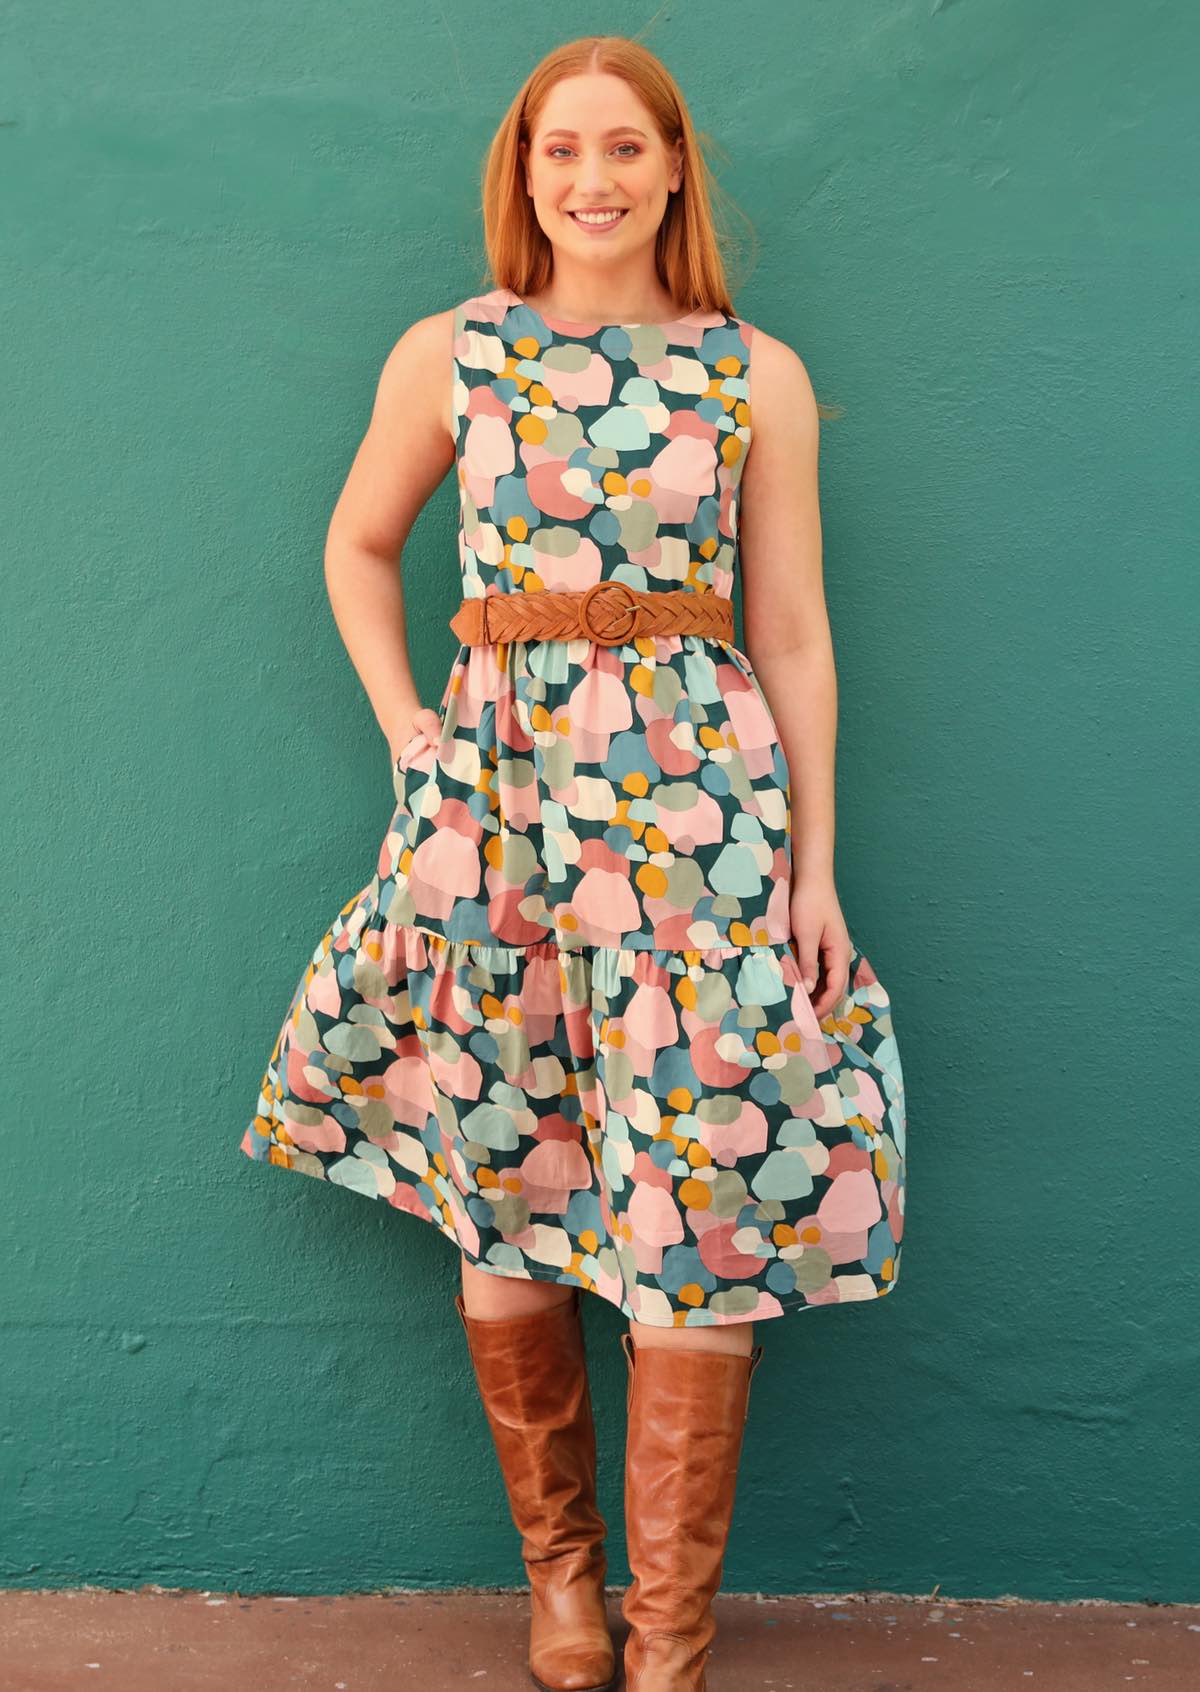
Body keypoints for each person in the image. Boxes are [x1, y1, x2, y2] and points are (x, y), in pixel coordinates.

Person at [240, 32, 907, 1692]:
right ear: (522, 173)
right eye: (560, 151)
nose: (592, 179)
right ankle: (562, 1586)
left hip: (703, 819)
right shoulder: (450, 354)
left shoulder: (761, 372)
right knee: (506, 1165)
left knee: (708, 1180)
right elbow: (356, 542)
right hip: (498, 817)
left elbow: (801, 637)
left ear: (676, 168)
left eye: (624, 147)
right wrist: (412, 729)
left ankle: (668, 1627)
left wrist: (814, 866)